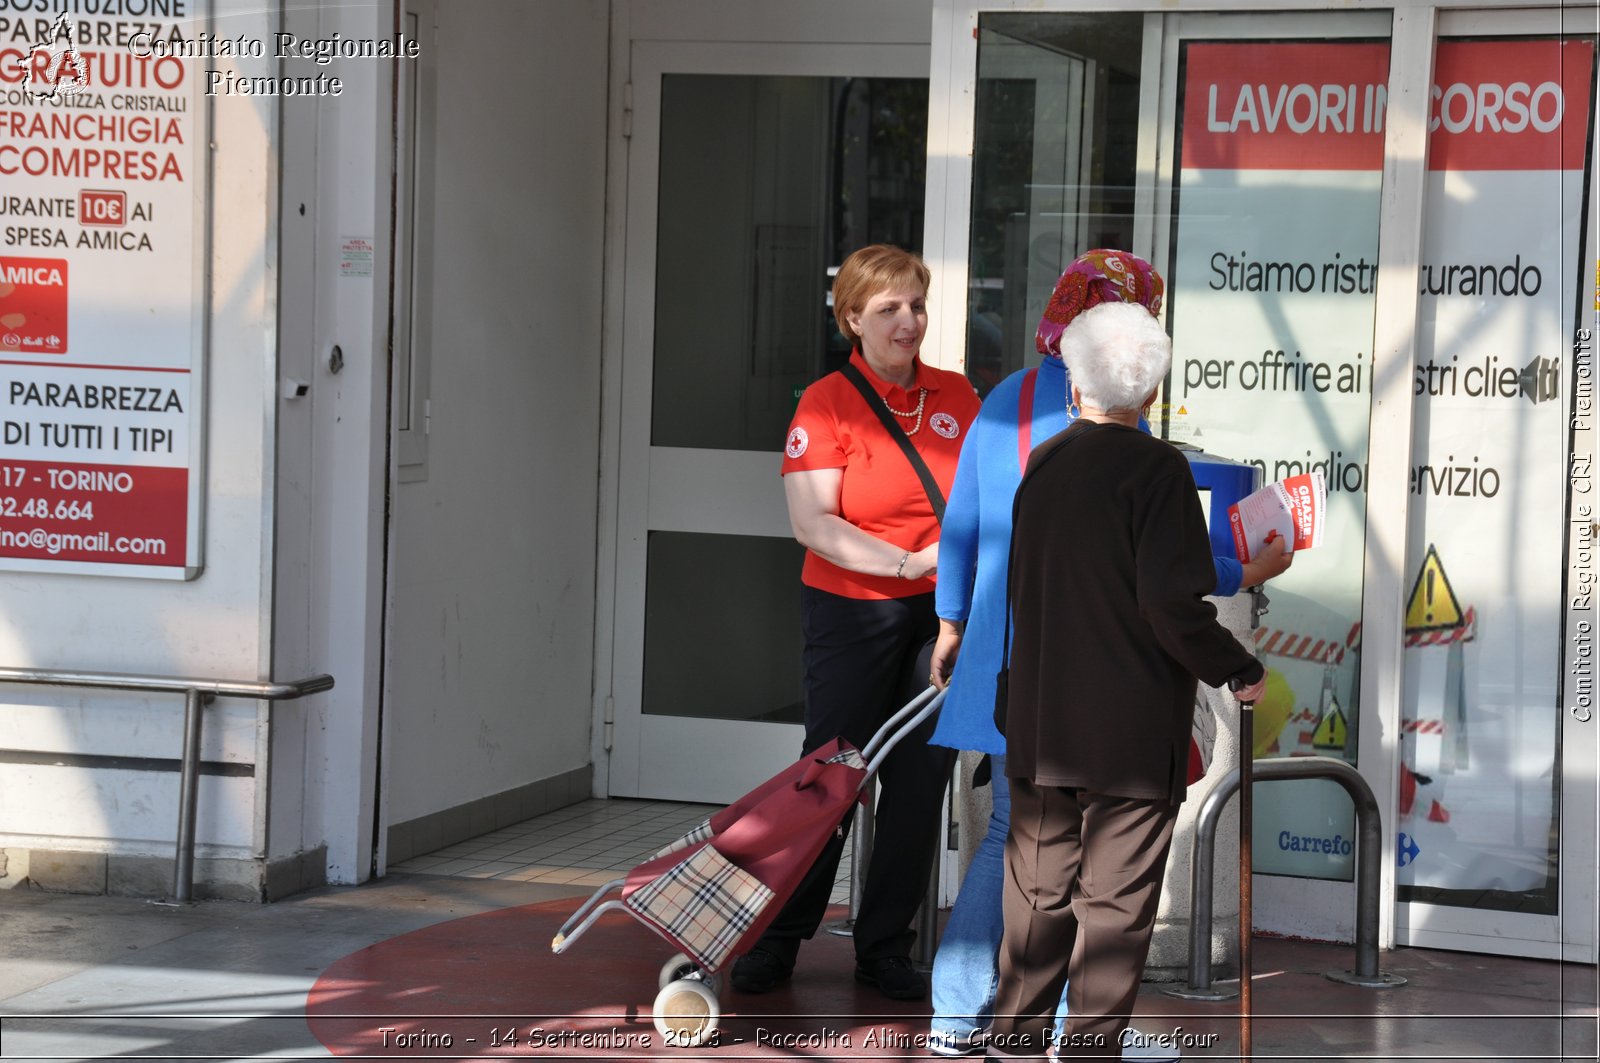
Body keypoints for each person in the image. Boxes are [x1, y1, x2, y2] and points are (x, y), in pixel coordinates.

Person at [925, 250, 1289, 1057]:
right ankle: (1082, 1044)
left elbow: (999, 552)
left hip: (1034, 708)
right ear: (1151, 387)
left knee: (1035, 888)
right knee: (1114, 903)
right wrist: (1239, 664)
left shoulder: (1038, 450)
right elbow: (1164, 591)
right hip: (1121, 725)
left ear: (1073, 371)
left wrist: (955, 627)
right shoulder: (1154, 467)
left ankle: (998, 1033)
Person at [728, 244, 982, 1002]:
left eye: (916, 305)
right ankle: (778, 939)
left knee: (919, 777)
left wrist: (953, 580)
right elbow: (814, 523)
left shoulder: (957, 394)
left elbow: (983, 494)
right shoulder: (828, 402)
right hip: (853, 609)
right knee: (830, 772)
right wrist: (908, 563)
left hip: (942, 614)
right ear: (852, 319)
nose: (909, 322)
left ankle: (884, 947)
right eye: (889, 309)